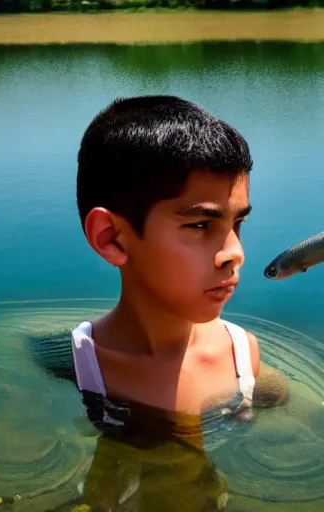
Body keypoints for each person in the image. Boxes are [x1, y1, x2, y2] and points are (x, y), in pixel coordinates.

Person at [72, 95, 260, 434]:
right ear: (111, 238)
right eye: (201, 225)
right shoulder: (79, 363)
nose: (235, 253)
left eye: (237, 224)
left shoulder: (242, 355)